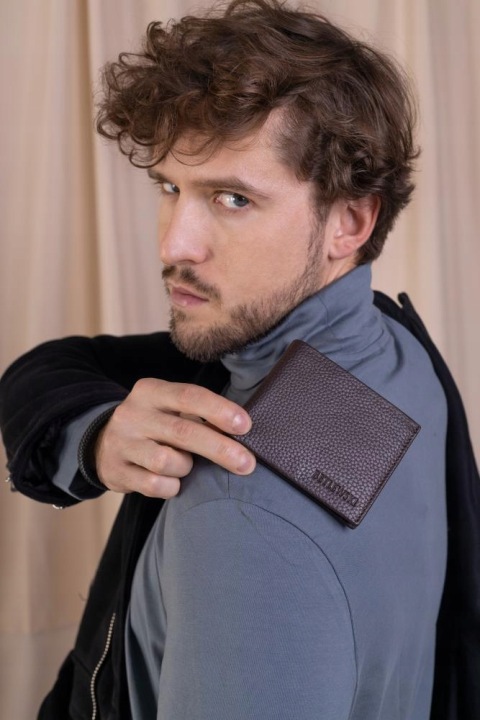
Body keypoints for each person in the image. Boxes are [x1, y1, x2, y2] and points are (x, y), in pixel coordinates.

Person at [0, 1, 450, 718]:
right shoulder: (392, 354)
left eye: (232, 198)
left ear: (350, 221)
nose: (173, 244)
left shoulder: (238, 522)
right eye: (170, 188)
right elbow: (57, 367)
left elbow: (271, 531)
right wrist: (95, 436)